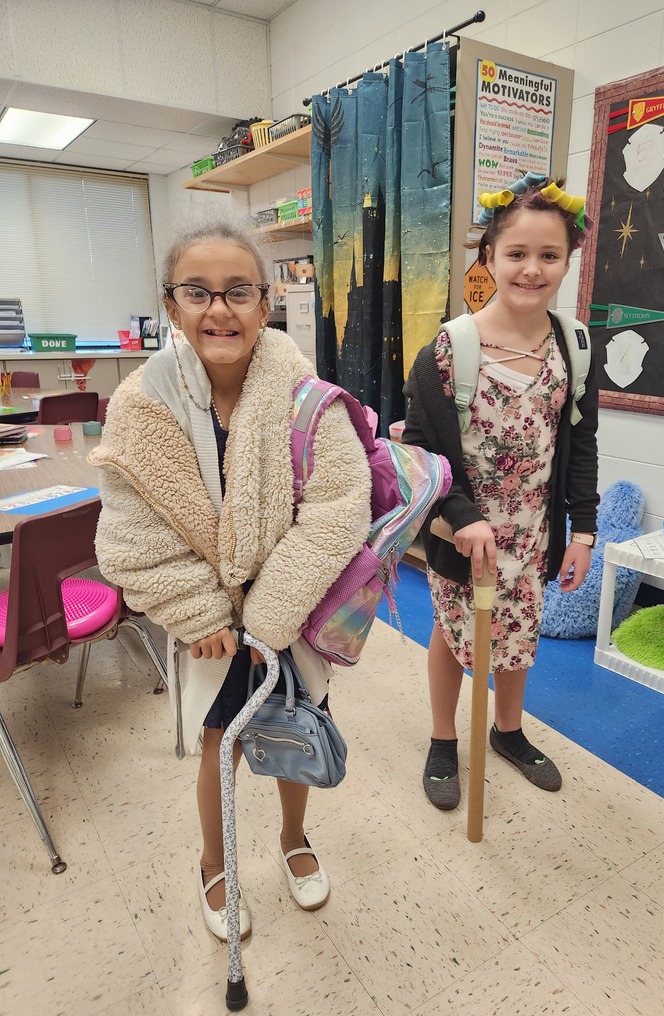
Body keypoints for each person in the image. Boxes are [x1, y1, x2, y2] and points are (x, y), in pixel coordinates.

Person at [90, 220, 371, 938]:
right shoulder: (142, 403)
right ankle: (214, 864)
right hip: (212, 628)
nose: (220, 309)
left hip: (291, 615)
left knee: (294, 727)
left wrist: (269, 620)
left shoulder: (305, 393)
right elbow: (133, 527)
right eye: (198, 292)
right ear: (171, 304)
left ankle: (293, 839)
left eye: (238, 292)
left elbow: (339, 509)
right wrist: (202, 614)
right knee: (220, 743)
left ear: (266, 299)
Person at [402, 176, 599, 810]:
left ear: (568, 262)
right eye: (516, 253)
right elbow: (424, 453)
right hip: (461, 531)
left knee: (519, 632)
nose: (532, 269)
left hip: (532, 533)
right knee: (451, 629)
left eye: (549, 255)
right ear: (488, 257)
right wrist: (462, 516)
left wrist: (585, 528)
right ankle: (441, 740)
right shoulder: (446, 351)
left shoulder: (574, 347)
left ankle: (508, 731)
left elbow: (581, 445)